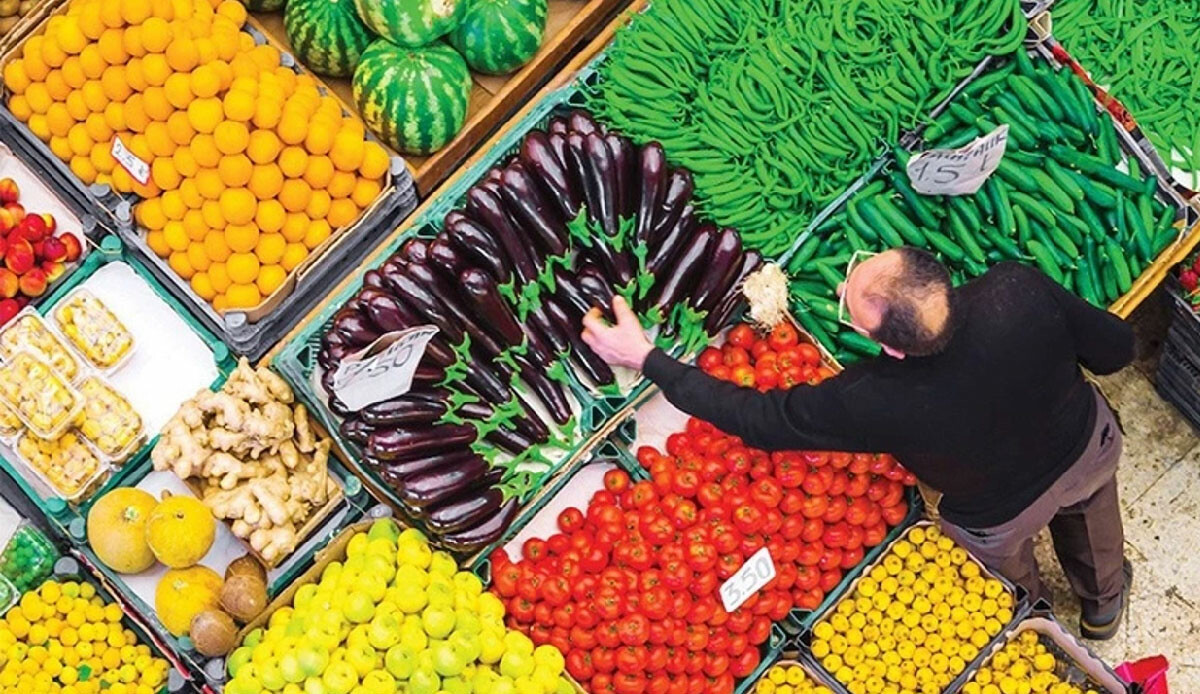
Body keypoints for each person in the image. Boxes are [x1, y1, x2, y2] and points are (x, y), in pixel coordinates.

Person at [581, 247, 1134, 640]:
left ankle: (1035, 621)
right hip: (1084, 446)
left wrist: (647, 359)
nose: (842, 288)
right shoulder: (1017, 288)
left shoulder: (873, 396)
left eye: (853, 295)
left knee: (1008, 575)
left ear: (890, 348)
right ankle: (1103, 607)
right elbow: (1116, 349)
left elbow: (759, 419)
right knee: (1093, 517)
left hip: (998, 515)